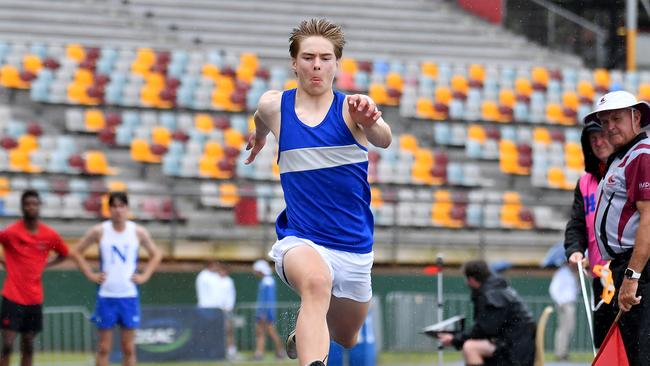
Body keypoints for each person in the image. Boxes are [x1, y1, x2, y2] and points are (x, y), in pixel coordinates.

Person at [244, 18, 392, 366]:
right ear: (294, 63)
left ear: (336, 63)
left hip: (353, 246)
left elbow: (384, 138)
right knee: (315, 282)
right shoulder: (275, 106)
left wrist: (371, 121)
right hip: (301, 239)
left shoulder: (353, 108)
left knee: (346, 336)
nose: (316, 65)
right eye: (308, 57)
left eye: (325, 58)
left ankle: (307, 331)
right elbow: (260, 116)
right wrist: (261, 136)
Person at [586, 90, 650, 364]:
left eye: (617, 118)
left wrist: (632, 275)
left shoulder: (640, 156)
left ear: (636, 117)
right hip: (628, 266)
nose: (610, 126)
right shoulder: (622, 157)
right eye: (605, 120)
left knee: (640, 352)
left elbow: (648, 218)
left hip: (640, 269)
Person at [70, 192, 163, 366]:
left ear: (127, 209)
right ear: (109, 209)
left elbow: (156, 254)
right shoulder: (99, 231)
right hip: (107, 296)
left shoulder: (137, 231)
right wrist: (91, 274)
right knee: (104, 347)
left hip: (128, 295)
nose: (118, 210)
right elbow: (75, 252)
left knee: (128, 347)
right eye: (114, 206)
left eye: (122, 206)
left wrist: (145, 275)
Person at [0, 189, 69, 366]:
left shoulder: (49, 235)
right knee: (7, 345)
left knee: (28, 345)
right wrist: (4, 261)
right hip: (12, 297)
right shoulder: (11, 233)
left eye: (34, 204)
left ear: (39, 207)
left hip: (34, 299)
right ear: (22, 207)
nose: (31, 207)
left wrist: (46, 264)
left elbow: (64, 253)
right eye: (27, 204)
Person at [563, 121, 616, 348]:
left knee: (632, 341)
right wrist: (574, 249)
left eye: (602, 136)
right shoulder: (584, 183)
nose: (598, 142)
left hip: (628, 273)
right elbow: (576, 224)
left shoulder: (630, 171)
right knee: (603, 341)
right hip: (599, 275)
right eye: (592, 139)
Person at [437, 260, 536, 366]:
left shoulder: (491, 294)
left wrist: (455, 339)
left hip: (516, 351)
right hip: (519, 345)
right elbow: (487, 328)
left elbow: (484, 329)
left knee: (470, 347)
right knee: (472, 345)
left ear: (471, 279)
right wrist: (458, 338)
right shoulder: (497, 289)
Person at [195, 260, 237, 359]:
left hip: (221, 310)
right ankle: (207, 352)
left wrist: (228, 307)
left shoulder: (225, 280)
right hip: (210, 309)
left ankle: (230, 351)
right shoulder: (206, 276)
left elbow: (229, 295)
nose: (217, 269)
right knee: (209, 331)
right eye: (216, 266)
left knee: (228, 330)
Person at [252, 259, 284, 360]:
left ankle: (280, 351)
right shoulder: (267, 281)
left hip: (265, 312)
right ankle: (259, 353)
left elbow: (268, 299)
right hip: (264, 312)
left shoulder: (268, 282)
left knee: (270, 332)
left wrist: (264, 313)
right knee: (261, 332)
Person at [549, 262, 578, 361]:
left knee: (568, 328)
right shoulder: (561, 273)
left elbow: (574, 290)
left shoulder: (571, 273)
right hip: (564, 304)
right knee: (563, 329)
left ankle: (563, 351)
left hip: (569, 303)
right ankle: (560, 353)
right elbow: (553, 288)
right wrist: (559, 301)